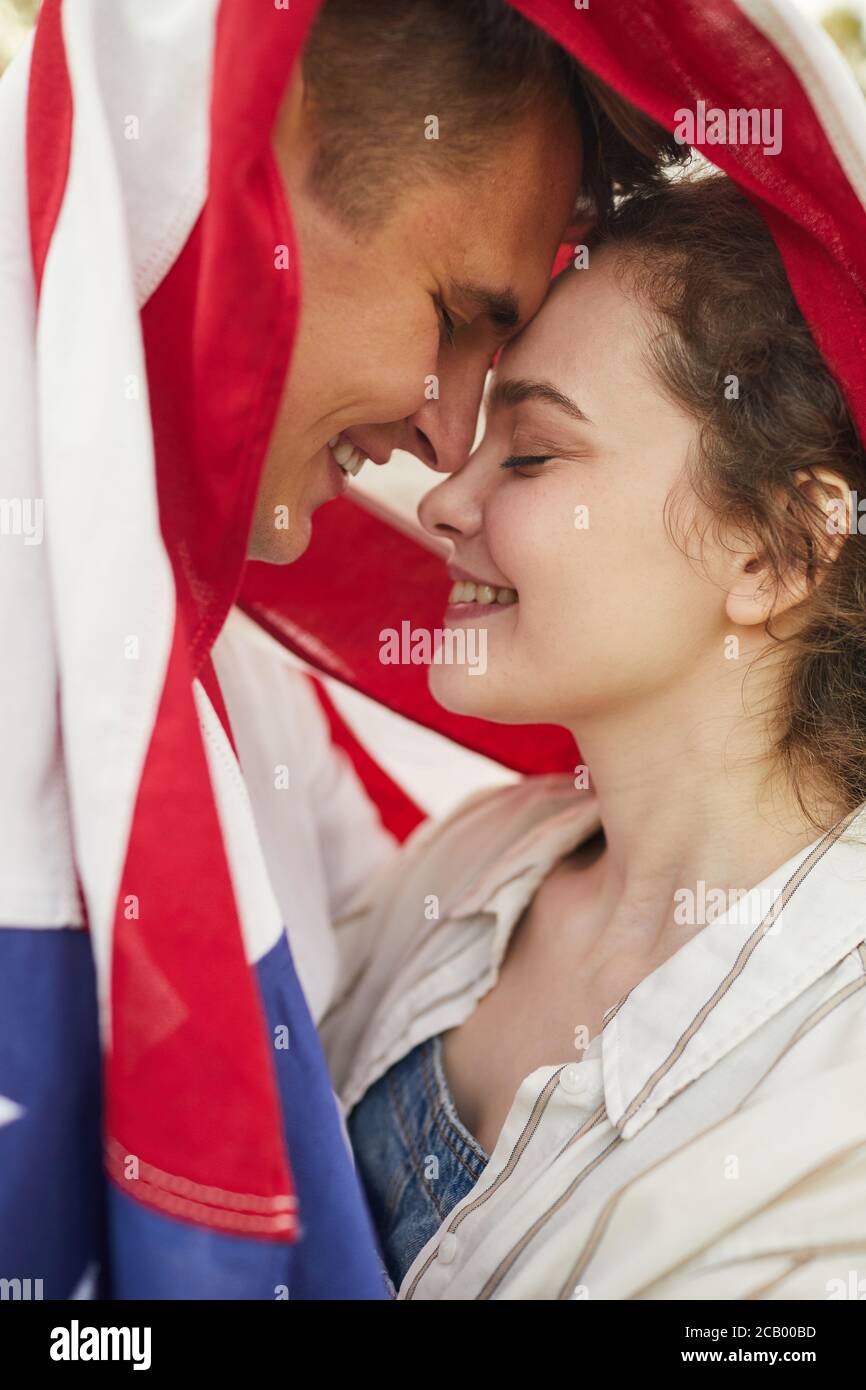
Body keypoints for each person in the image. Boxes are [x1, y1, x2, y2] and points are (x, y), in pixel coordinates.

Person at [0, 0, 679, 1299]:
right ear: (250, 141)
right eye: (454, 316)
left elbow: (391, 947)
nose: (445, 444)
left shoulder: (238, 680)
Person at [322, 172, 866, 1299]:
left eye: (527, 454)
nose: (443, 501)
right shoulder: (476, 856)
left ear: (775, 555)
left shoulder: (834, 1096)